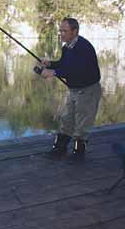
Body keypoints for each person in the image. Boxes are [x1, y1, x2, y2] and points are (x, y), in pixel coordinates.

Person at [39, 17, 102, 158]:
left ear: (75, 31)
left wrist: (53, 73)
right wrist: (50, 64)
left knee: (82, 124)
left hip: (88, 91)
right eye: (60, 30)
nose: (61, 33)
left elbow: (75, 70)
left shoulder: (83, 47)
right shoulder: (67, 47)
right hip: (74, 90)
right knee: (66, 119)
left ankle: (78, 154)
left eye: (65, 31)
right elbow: (64, 64)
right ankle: (59, 149)